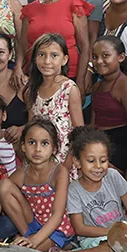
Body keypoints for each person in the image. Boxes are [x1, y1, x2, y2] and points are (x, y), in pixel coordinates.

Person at [54, 127, 127, 252]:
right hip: (94, 238)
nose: (98, 166)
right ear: (78, 162)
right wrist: (112, 232)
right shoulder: (74, 190)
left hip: (122, 234)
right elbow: (80, 228)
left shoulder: (113, 176)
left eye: (103, 160)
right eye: (91, 161)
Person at [0, 117, 74, 252]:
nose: (37, 149)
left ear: (54, 148)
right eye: (32, 142)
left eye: (44, 143)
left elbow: (58, 215)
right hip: (33, 223)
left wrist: (34, 240)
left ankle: (50, 244)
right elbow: (0, 196)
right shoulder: (22, 174)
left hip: (57, 228)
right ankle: (27, 237)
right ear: (23, 147)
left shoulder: (60, 172)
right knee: (3, 186)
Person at [18, 0, 92, 87]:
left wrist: (81, 79)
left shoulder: (74, 6)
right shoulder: (29, 10)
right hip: (36, 75)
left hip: (68, 75)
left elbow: (85, 46)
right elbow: (23, 46)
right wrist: (18, 68)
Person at [26, 34, 84, 164]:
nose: (47, 61)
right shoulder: (32, 89)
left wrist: (68, 164)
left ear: (64, 60)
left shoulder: (69, 89)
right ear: (35, 59)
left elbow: (79, 131)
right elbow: (31, 127)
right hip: (38, 159)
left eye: (54, 55)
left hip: (63, 160)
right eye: (41, 55)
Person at [90, 36, 127, 178]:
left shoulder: (126, 88)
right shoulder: (97, 86)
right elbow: (94, 124)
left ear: (121, 57)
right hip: (101, 147)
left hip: (120, 150)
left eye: (105, 56)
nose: (99, 61)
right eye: (95, 57)